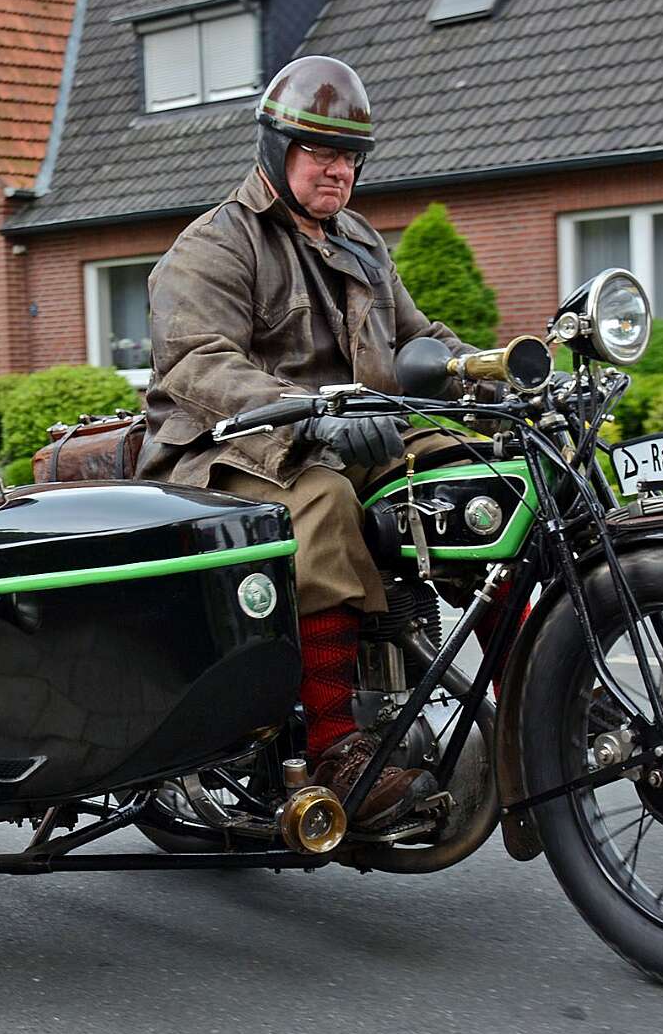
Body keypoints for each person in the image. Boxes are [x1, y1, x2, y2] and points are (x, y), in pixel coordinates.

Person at [137, 55, 478, 828]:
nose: (338, 170)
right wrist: (308, 411)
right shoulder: (217, 243)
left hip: (359, 437)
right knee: (320, 503)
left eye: (350, 156)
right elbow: (197, 362)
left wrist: (492, 372)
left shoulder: (360, 242)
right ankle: (334, 747)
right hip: (229, 451)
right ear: (275, 147)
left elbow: (417, 340)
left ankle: (544, 690)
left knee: (481, 478)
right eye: (320, 151)